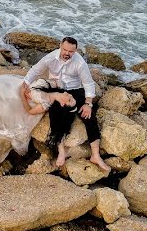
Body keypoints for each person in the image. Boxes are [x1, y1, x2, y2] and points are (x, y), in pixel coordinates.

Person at [22, 36, 110, 173]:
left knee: (89, 117)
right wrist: (25, 83)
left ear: (75, 51)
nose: (67, 53)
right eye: (65, 49)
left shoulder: (80, 63)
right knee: (57, 113)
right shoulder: (50, 58)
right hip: (56, 89)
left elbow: (88, 83)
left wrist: (88, 104)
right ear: (60, 46)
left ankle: (95, 155)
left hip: (75, 91)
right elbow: (35, 70)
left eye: (71, 51)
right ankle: (61, 150)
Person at [0, 74, 76, 155]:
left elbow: (29, 111)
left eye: (70, 100)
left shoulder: (46, 104)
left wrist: (22, 95)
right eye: (72, 97)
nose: (71, 95)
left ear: (62, 104)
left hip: (19, 98)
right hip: (18, 84)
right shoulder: (57, 84)